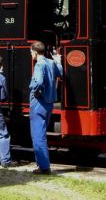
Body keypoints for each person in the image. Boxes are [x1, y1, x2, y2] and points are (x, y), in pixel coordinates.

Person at [29, 41, 63, 175]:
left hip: (39, 103)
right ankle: (41, 165)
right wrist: (58, 61)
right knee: (41, 134)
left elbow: (38, 82)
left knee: (38, 136)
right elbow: (60, 72)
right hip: (49, 103)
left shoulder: (40, 64)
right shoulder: (50, 62)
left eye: (31, 52)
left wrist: (34, 90)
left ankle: (44, 167)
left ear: (35, 52)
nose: (31, 54)